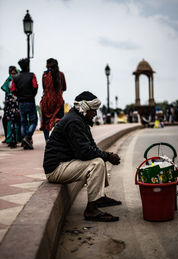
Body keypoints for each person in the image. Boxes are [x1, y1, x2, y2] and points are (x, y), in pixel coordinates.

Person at [43, 91, 121, 222]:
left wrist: (106, 155)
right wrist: (107, 156)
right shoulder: (74, 122)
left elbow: (91, 147)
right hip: (55, 169)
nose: (95, 113)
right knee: (97, 163)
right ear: (85, 108)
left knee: (99, 158)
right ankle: (91, 210)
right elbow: (84, 153)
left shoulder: (80, 120)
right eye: (93, 110)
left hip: (64, 163)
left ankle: (99, 197)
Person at [11, 58, 38, 150]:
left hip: (21, 102)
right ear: (28, 66)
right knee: (34, 121)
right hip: (30, 101)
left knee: (23, 122)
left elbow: (13, 89)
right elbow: (35, 86)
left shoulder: (16, 78)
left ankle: (25, 140)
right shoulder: (32, 75)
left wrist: (19, 95)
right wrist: (32, 95)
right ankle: (28, 137)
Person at [40, 58, 66, 141]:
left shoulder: (45, 75)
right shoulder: (61, 74)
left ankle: (47, 140)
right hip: (58, 101)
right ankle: (58, 140)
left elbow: (44, 88)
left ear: (47, 65)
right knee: (60, 122)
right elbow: (64, 88)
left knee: (45, 123)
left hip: (46, 102)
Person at [4, 67, 21, 148]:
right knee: (12, 126)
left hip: (18, 107)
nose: (13, 75)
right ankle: (13, 141)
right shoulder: (10, 82)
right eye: (12, 73)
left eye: (14, 73)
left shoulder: (19, 81)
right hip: (11, 108)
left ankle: (19, 140)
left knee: (19, 125)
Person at [1, 66, 16, 143]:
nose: (11, 74)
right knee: (6, 120)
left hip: (14, 104)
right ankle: (9, 138)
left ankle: (11, 139)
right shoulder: (9, 79)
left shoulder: (12, 79)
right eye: (10, 72)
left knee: (12, 121)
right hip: (9, 103)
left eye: (13, 72)